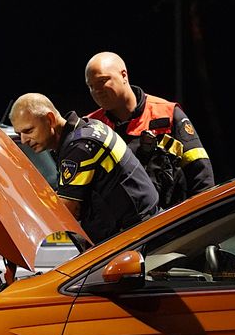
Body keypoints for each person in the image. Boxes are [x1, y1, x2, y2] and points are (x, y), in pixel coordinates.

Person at [10, 92, 160, 244]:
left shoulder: (79, 148)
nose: (24, 140)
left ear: (50, 119)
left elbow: (67, 212)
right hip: (143, 228)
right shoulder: (91, 126)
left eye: (28, 131)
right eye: (19, 134)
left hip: (136, 237)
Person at [84, 51, 214, 206]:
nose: (96, 91)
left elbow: (201, 174)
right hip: (122, 227)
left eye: (102, 81)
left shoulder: (166, 114)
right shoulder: (91, 127)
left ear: (124, 75)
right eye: (91, 86)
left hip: (173, 219)